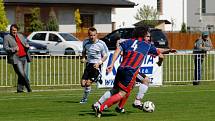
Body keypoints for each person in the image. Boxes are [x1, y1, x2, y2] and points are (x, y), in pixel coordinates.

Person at [93, 31, 176, 113]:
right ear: (143, 36)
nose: (149, 38)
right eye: (147, 36)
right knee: (122, 92)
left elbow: (118, 50)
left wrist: (112, 63)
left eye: (149, 37)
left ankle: (104, 105)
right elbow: (159, 52)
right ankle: (102, 107)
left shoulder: (128, 42)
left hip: (121, 68)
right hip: (131, 71)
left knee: (121, 89)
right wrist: (168, 51)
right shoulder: (146, 45)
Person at [80, 27, 109, 104]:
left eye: (93, 35)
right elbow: (83, 51)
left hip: (97, 66)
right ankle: (96, 79)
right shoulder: (85, 42)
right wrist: (83, 58)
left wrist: (99, 63)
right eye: (90, 35)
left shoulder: (101, 44)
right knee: (83, 84)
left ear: (97, 35)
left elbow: (105, 56)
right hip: (89, 64)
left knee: (88, 83)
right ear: (88, 35)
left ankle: (84, 99)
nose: (92, 37)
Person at [3, 24, 32, 93]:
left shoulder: (20, 35)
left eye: (15, 30)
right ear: (10, 30)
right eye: (13, 30)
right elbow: (5, 48)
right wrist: (13, 49)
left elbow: (25, 43)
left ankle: (20, 89)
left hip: (24, 56)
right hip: (16, 58)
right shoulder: (7, 37)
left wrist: (27, 45)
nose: (14, 32)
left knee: (21, 74)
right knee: (22, 73)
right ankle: (28, 87)